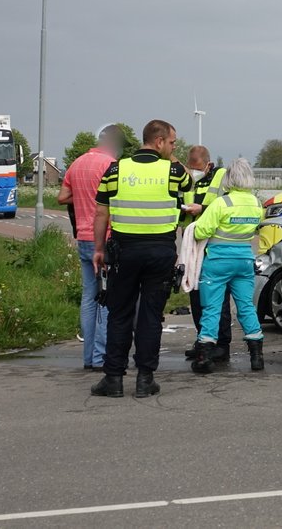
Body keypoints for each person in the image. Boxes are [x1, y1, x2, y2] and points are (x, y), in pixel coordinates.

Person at [90, 120, 191, 399]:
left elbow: (101, 214)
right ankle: (145, 379)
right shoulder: (174, 170)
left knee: (119, 314)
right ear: (158, 142)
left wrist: (99, 249)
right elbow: (189, 187)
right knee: (150, 316)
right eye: (172, 143)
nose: (174, 148)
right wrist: (171, 158)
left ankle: (113, 379)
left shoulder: (115, 169)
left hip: (124, 251)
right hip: (160, 252)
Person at [57, 124, 123, 371]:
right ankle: (100, 356)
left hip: (82, 237)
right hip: (103, 238)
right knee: (107, 297)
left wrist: (84, 196)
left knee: (88, 297)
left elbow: (62, 197)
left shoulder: (77, 163)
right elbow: (115, 201)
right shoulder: (110, 165)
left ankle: (88, 357)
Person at [190, 158, 266, 373]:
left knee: (212, 308)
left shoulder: (221, 203)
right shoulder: (256, 204)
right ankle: (257, 356)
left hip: (218, 262)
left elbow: (200, 231)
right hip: (244, 261)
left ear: (229, 179)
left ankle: (204, 357)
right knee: (246, 307)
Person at [179, 145, 232, 362]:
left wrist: (201, 208)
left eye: (197, 167)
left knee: (218, 299)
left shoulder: (221, 176)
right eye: (191, 168)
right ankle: (203, 341)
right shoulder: (190, 181)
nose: (193, 171)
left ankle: (222, 344)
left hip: (214, 247)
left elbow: (227, 204)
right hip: (193, 248)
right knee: (196, 295)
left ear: (208, 164)